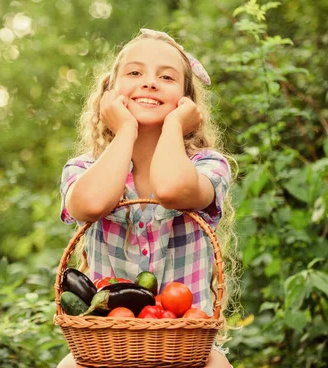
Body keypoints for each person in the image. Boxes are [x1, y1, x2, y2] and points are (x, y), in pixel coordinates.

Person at [57, 28, 237, 368]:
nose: (150, 83)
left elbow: (171, 189)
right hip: (106, 346)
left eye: (166, 77)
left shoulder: (208, 166)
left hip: (185, 349)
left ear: (187, 103)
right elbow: (90, 204)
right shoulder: (83, 169)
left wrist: (173, 129)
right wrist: (125, 131)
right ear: (109, 94)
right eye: (135, 72)